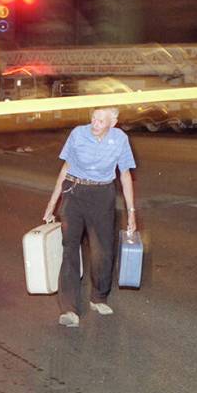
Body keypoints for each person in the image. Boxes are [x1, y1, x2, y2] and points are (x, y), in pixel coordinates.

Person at [43, 107, 137, 327]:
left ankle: (99, 296)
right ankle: (69, 309)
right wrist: (51, 203)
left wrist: (131, 213)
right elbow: (65, 168)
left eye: (101, 121)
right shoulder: (78, 134)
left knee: (103, 250)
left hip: (102, 195)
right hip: (74, 192)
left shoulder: (121, 139)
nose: (95, 124)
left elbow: (125, 175)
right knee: (70, 248)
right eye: (93, 119)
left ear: (112, 123)